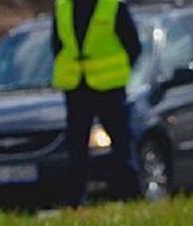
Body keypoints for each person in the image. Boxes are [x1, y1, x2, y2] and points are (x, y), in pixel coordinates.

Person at [52, 0, 143, 206]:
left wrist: (117, 70)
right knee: (76, 145)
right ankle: (76, 200)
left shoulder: (113, 5)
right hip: (77, 85)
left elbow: (133, 45)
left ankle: (130, 195)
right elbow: (57, 45)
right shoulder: (63, 7)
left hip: (109, 87)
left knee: (121, 142)